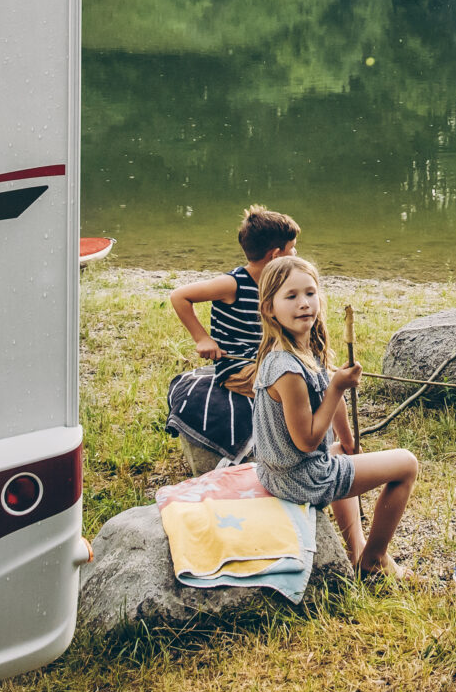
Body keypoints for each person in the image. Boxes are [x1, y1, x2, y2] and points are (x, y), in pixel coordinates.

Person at [242, 255, 422, 578]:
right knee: (407, 465)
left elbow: (323, 384)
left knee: (341, 452)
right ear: (269, 308)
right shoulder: (286, 369)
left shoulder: (297, 347)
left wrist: (348, 440)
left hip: (279, 471)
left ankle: (356, 549)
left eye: (310, 293)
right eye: (291, 296)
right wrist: (338, 386)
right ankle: (374, 559)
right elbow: (309, 440)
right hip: (300, 479)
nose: (304, 304)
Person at [164, 205, 298, 467]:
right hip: (239, 367)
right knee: (290, 387)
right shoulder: (233, 283)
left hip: (267, 360)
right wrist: (202, 338)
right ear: (276, 255)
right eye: (293, 248)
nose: (296, 253)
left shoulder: (276, 285)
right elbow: (179, 296)